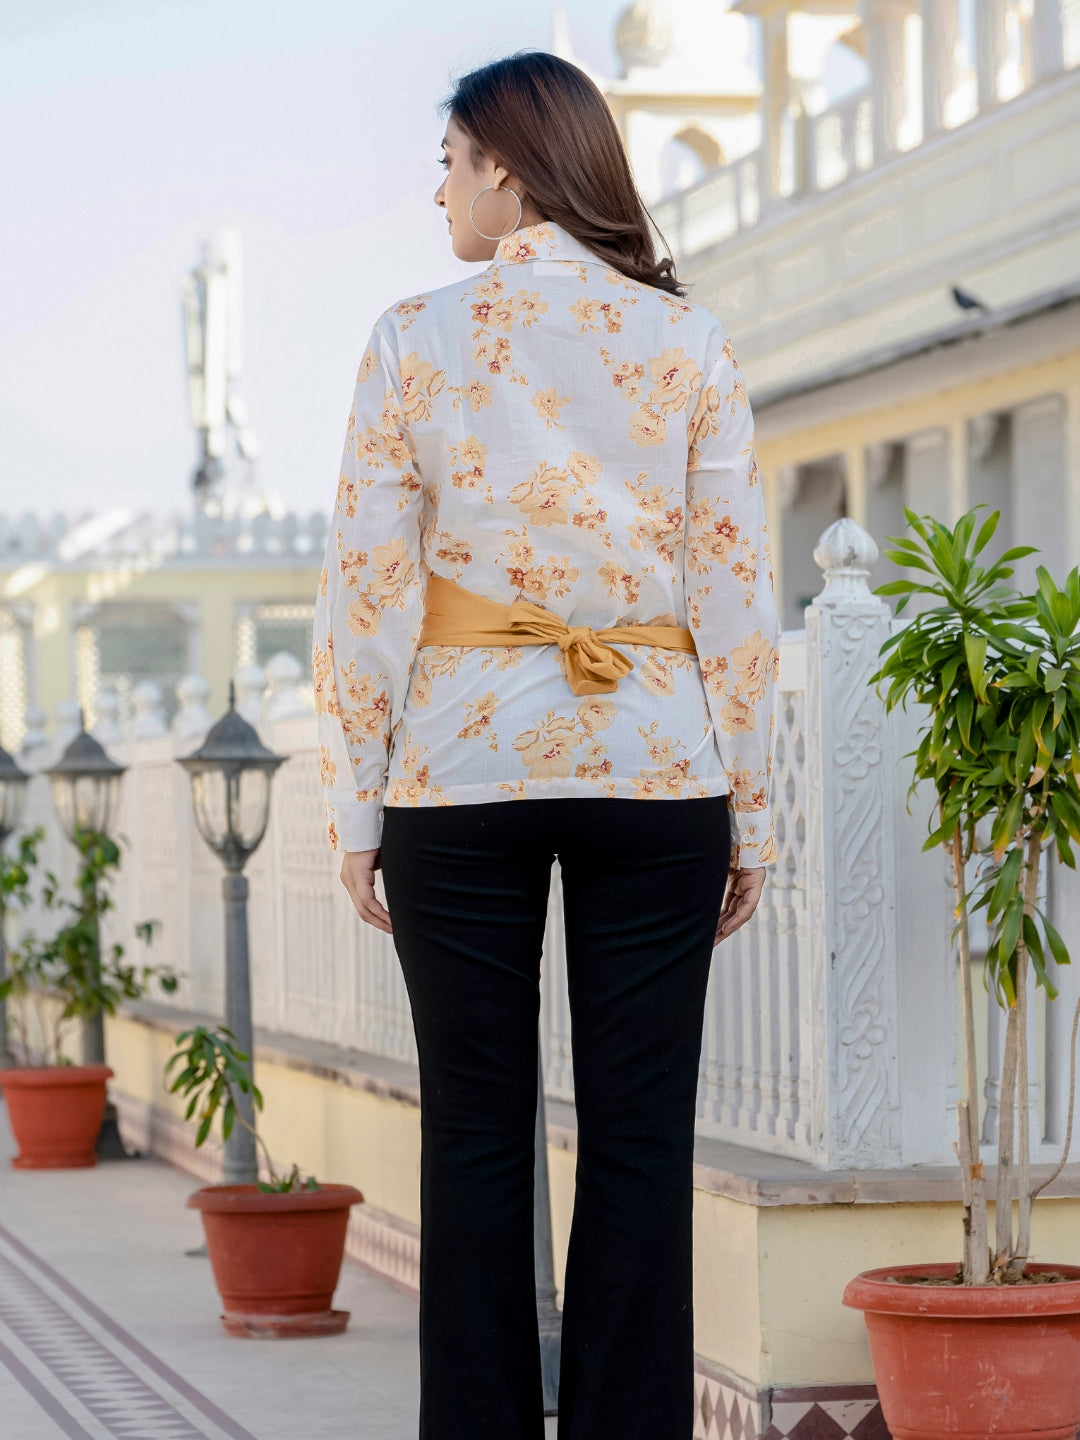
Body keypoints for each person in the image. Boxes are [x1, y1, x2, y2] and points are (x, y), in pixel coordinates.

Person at [312, 50, 780, 1440]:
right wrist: (753, 813)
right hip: (658, 771)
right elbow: (735, 594)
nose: (440, 191)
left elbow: (367, 591)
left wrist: (356, 808)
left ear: (508, 170)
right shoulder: (688, 342)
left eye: (451, 162)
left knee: (472, 1135)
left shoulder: (412, 338)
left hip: (459, 775)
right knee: (641, 1140)